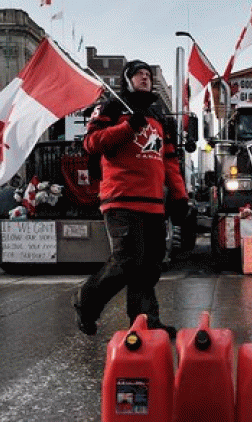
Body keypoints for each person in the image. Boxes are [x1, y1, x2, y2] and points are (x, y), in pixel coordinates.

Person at [73, 60, 188, 338]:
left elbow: (170, 160)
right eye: (140, 74)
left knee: (149, 266)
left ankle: (146, 321)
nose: (145, 78)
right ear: (128, 79)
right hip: (121, 198)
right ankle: (86, 302)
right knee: (127, 262)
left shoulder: (160, 115)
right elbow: (91, 143)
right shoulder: (112, 107)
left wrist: (180, 195)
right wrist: (128, 128)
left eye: (149, 75)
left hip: (153, 203)